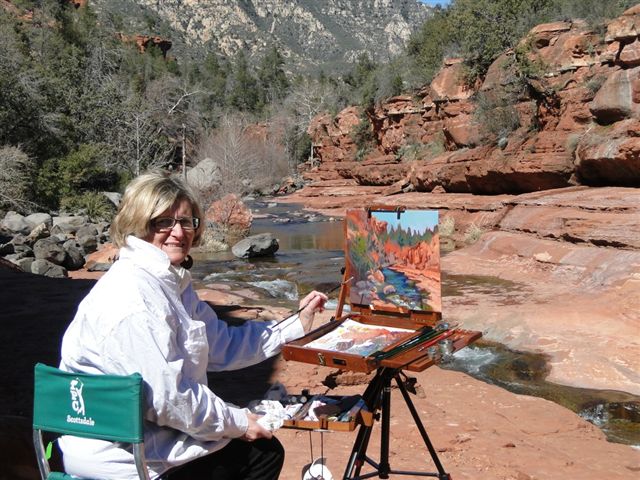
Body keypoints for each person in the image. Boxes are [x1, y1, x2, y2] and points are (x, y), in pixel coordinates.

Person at [58, 171, 327, 479]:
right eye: (164, 221)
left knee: (258, 451)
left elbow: (223, 345)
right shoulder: (134, 297)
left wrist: (295, 324)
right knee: (260, 455)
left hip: (148, 443)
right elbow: (170, 400)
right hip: (126, 463)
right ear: (140, 224)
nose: (178, 232)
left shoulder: (167, 283)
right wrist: (239, 422)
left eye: (186, 221)